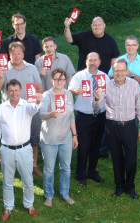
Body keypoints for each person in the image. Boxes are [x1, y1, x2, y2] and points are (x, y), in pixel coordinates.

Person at [93, 59, 140, 199]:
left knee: (131, 158)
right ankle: (119, 187)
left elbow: (139, 105)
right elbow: (97, 107)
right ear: (113, 71)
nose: (119, 73)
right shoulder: (106, 85)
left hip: (129, 126)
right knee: (116, 158)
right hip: (112, 127)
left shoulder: (134, 84)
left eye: (122, 70)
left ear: (126, 71)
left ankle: (130, 186)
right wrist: (96, 98)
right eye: (116, 70)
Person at [0, 79, 42, 221]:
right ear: (7, 92)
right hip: (6, 150)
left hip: (25, 149)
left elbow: (34, 108)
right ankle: (8, 207)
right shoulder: (1, 108)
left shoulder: (27, 105)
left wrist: (37, 102)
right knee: (7, 181)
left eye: (16, 90)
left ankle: (29, 204)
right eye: (11, 91)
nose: (14, 93)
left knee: (28, 180)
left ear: (21, 91)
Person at [0, 41, 44, 176]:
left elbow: (39, 87)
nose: (16, 56)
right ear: (9, 55)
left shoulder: (32, 68)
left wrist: (39, 99)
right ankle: (12, 166)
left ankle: (33, 165)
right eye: (13, 54)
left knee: (34, 138)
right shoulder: (4, 69)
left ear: (23, 53)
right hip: (11, 112)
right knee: (12, 138)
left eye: (19, 53)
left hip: (30, 109)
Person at [68, 52, 109, 187]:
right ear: (86, 62)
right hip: (84, 117)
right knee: (84, 147)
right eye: (90, 60)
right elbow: (69, 91)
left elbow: (110, 93)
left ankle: (92, 171)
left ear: (99, 62)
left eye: (95, 60)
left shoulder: (104, 76)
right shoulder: (79, 76)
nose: (92, 63)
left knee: (96, 145)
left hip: (100, 116)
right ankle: (81, 174)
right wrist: (75, 91)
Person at [39, 68, 78, 207]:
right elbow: (41, 114)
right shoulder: (46, 95)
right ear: (52, 80)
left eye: (62, 79)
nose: (60, 82)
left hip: (65, 137)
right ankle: (48, 195)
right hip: (49, 138)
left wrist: (74, 135)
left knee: (65, 168)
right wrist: (51, 114)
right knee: (49, 169)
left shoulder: (68, 95)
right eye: (56, 79)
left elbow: (71, 116)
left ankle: (65, 193)